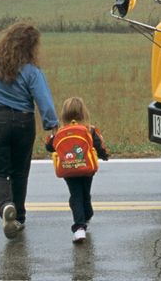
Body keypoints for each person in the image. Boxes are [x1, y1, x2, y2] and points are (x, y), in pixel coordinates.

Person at [0, 22, 59, 239]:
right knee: (19, 172)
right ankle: (19, 217)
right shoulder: (31, 71)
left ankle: (6, 205)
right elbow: (45, 101)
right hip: (23, 123)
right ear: (30, 47)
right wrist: (52, 125)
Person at [45, 96, 110, 243]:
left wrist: (53, 134)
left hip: (68, 169)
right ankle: (87, 215)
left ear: (64, 114)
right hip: (87, 168)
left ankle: (79, 227)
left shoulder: (60, 131)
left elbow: (49, 146)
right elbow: (99, 145)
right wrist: (104, 155)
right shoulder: (90, 129)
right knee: (85, 192)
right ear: (84, 113)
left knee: (75, 195)